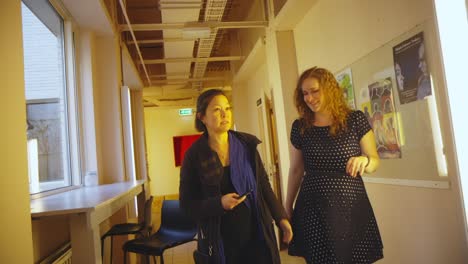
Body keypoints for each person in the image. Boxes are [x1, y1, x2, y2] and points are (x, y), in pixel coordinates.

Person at [179, 89, 293, 264]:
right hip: (220, 241)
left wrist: (281, 218)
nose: (225, 114)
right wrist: (219, 204)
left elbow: (263, 186)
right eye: (217, 109)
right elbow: (187, 206)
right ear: (202, 117)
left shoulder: (247, 145)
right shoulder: (194, 155)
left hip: (257, 234)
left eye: (227, 107)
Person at [285, 67, 383, 264]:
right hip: (313, 207)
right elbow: (296, 169)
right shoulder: (300, 127)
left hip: (350, 206)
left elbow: (374, 160)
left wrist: (365, 160)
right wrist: (287, 206)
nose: (309, 98)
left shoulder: (355, 120)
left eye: (314, 91)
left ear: (329, 89)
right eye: (304, 93)